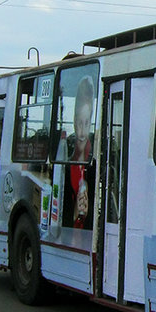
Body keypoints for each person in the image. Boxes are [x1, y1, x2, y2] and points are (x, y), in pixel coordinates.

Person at [63, 76, 95, 229]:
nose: (82, 131)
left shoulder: (96, 159)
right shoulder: (66, 156)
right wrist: (75, 213)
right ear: (74, 122)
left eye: (86, 123)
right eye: (79, 123)